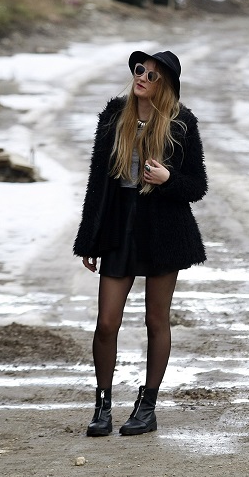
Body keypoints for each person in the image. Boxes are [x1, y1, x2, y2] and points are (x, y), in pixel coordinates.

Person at [73, 49, 208, 437]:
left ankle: (147, 407)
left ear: (166, 86)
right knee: (106, 322)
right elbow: (97, 183)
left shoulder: (181, 123)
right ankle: (102, 407)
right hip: (120, 226)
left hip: (163, 229)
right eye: (139, 70)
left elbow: (197, 187)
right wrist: (89, 238)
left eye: (152, 75)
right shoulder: (115, 116)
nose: (142, 77)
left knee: (155, 320)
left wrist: (168, 179)